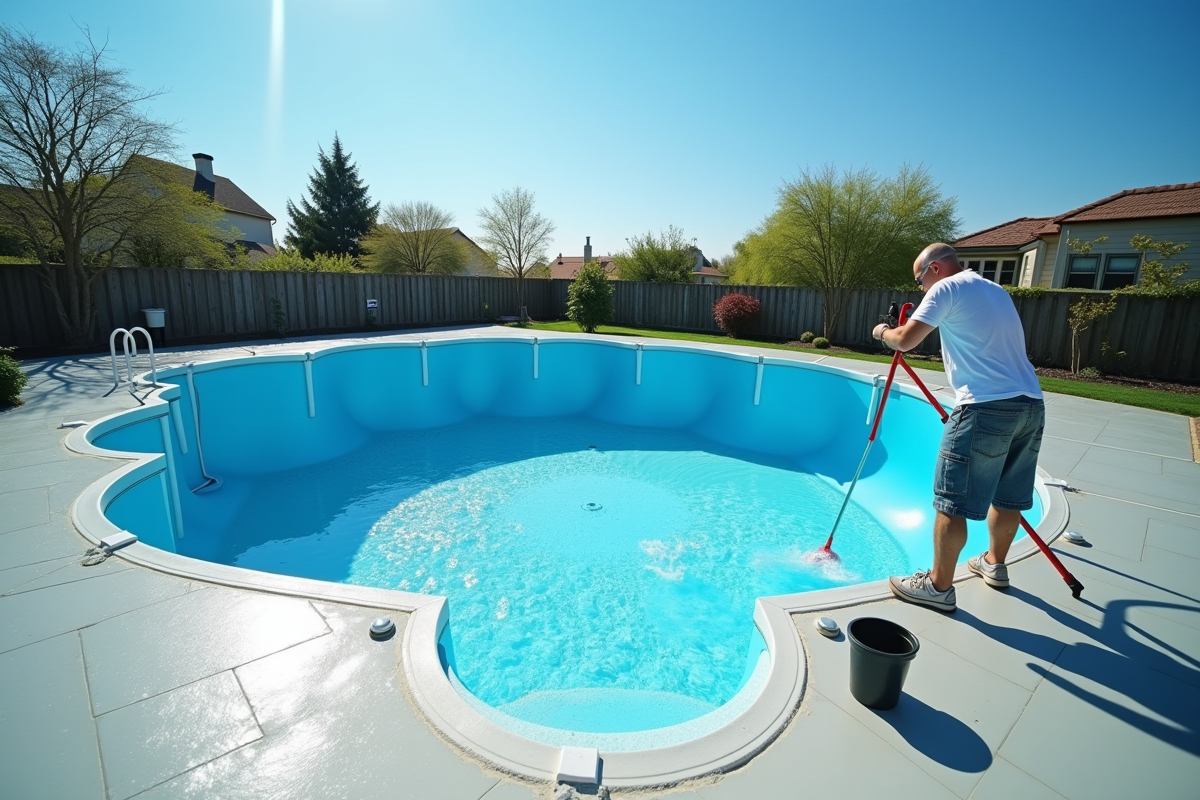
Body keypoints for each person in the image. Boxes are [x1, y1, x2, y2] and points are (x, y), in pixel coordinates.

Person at [871, 242, 1044, 612]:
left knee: (952, 501)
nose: (920, 289)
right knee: (1008, 496)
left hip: (984, 406)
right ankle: (994, 564)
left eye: (919, 280)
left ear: (935, 268)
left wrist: (883, 331)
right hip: (1031, 404)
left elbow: (907, 340)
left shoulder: (947, 287)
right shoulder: (995, 290)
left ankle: (938, 587)